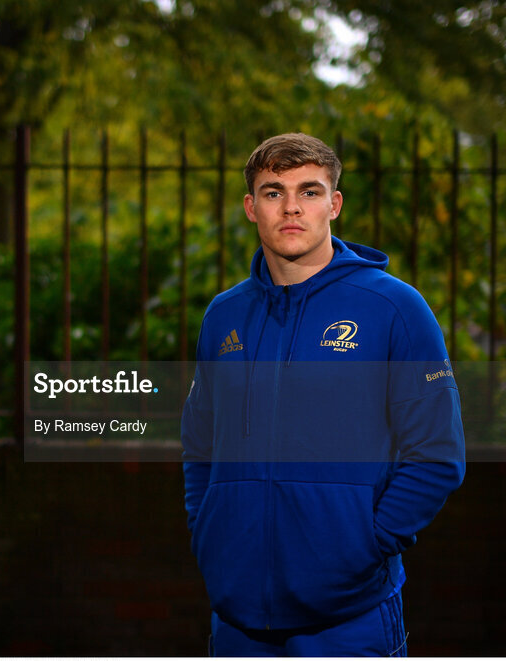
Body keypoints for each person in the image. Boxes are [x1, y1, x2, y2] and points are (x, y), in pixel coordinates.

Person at [181, 133, 465, 656]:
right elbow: (200, 444)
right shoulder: (223, 315)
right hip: (237, 619)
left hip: (348, 618)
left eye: (309, 192)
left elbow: (437, 456)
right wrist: (210, 535)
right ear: (251, 208)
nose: (291, 207)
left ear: (334, 204)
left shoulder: (395, 308)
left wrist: (365, 545)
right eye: (273, 192)